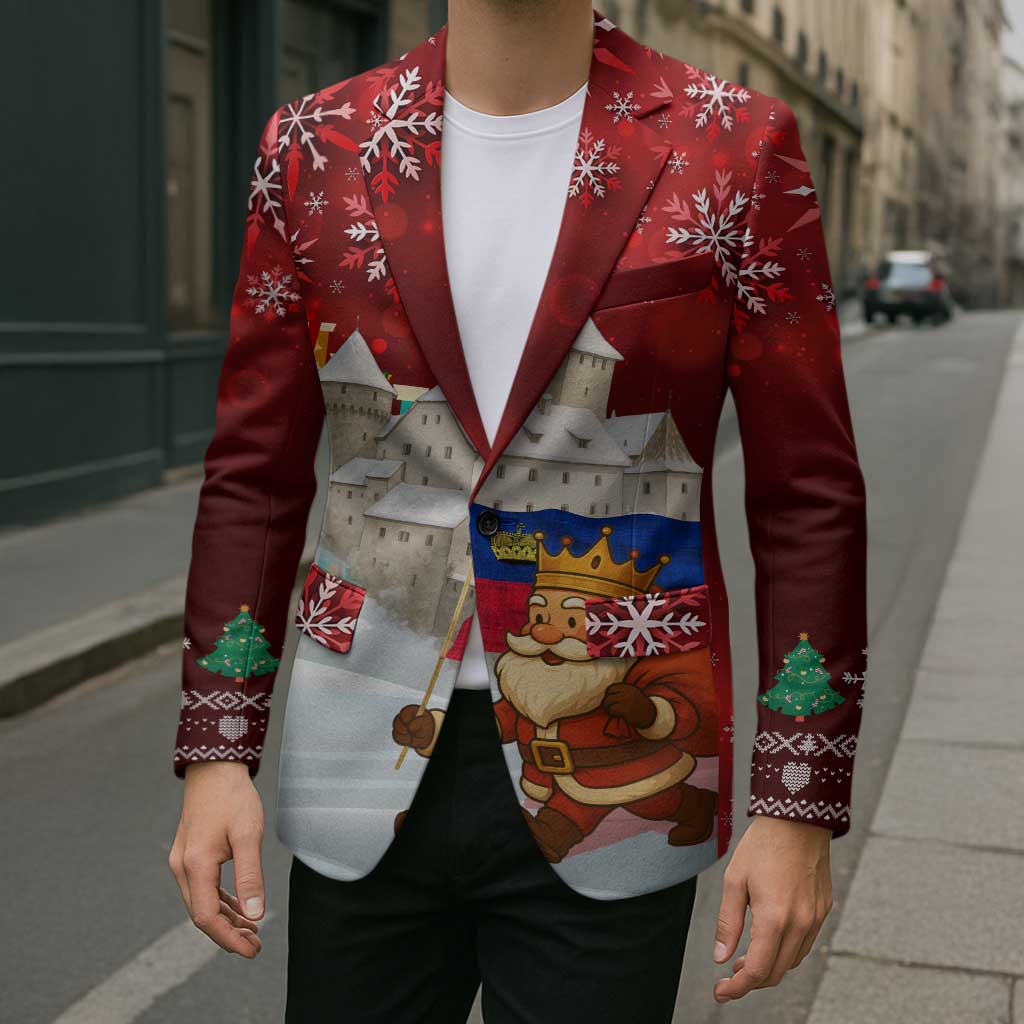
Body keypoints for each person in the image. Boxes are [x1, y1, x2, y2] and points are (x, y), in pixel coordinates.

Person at [168, 2, 868, 1021]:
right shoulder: (316, 144)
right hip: (360, 761)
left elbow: (807, 494)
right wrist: (216, 748)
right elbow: (254, 475)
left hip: (616, 773)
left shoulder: (733, 146)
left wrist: (796, 797)